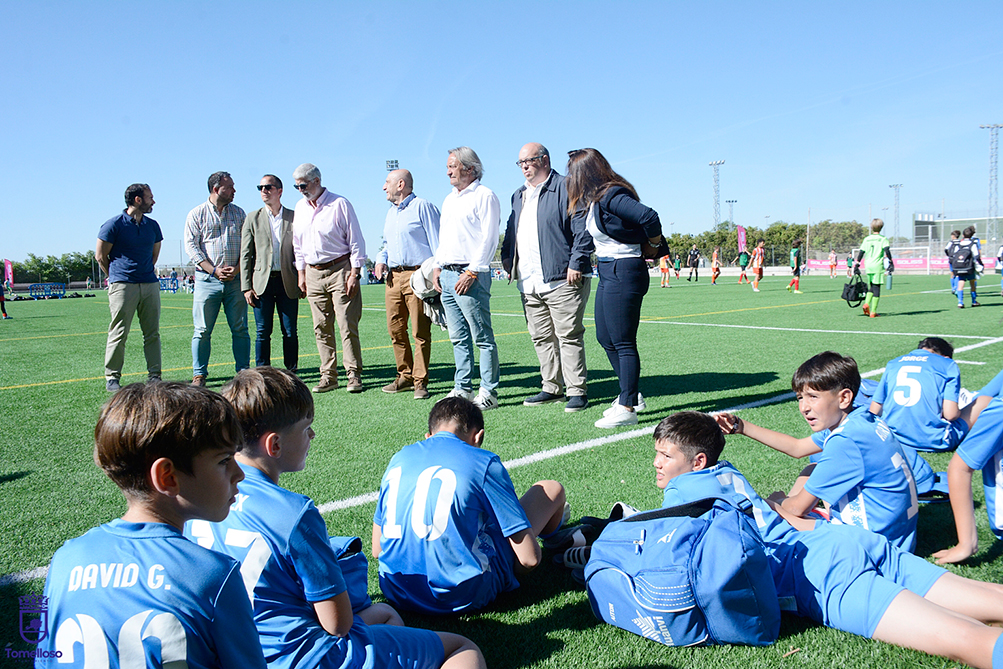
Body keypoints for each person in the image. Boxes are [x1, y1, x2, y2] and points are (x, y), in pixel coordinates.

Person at [651, 411, 1003, 669]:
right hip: (838, 539)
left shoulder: (683, 491)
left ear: (697, 462)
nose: (657, 463)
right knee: (989, 598)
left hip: (820, 574)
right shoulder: (725, 469)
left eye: (666, 456)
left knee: (967, 640)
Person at [187, 368, 485, 669]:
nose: (312, 435)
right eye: (306, 428)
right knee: (461, 648)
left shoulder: (202, 503)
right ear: (274, 445)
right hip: (303, 657)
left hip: (235, 653)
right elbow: (337, 624)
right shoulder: (293, 512)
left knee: (386, 615)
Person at [37, 383, 267, 668]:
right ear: (167, 477)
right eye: (224, 460)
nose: (239, 474)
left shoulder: (66, 560)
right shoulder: (213, 575)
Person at [372, 396, 567, 615]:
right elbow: (529, 559)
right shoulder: (483, 461)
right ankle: (557, 540)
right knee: (550, 489)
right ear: (478, 437)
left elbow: (377, 549)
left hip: (396, 589)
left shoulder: (399, 458)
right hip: (461, 594)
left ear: (428, 436)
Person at [714, 351, 919, 551]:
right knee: (811, 468)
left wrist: (777, 502)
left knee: (770, 512)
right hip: (899, 535)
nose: (804, 407)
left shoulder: (846, 441)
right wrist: (741, 427)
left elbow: (796, 509)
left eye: (813, 396)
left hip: (873, 544)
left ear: (844, 398)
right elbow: (798, 448)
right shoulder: (862, 418)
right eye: (800, 398)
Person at [566, 148, 664, 429]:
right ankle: (630, 393)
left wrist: (653, 245)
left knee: (622, 341)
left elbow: (649, 216)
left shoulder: (611, 194)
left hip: (625, 269)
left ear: (585, 173)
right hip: (609, 270)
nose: (570, 178)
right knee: (605, 337)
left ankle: (627, 406)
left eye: (573, 172)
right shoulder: (595, 199)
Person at [501, 143, 593, 413]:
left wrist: (576, 262)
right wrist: (508, 260)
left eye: (529, 161)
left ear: (544, 160)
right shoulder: (518, 195)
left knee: (568, 335)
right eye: (520, 163)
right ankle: (551, 387)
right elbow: (511, 230)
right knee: (541, 337)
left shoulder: (567, 186)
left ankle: (577, 391)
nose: (524, 167)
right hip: (529, 281)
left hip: (563, 278)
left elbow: (583, 228)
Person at [432, 147, 501, 411]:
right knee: (458, 337)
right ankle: (462, 388)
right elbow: (445, 236)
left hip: (470, 274)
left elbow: (489, 237)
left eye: (452, 165)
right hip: (448, 274)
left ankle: (488, 391)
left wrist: (472, 271)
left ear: (469, 168)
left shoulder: (484, 196)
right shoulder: (449, 199)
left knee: (482, 336)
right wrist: (438, 266)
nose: (448, 171)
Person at [291, 163, 367, 394]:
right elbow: (298, 244)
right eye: (296, 186)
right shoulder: (300, 208)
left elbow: (356, 241)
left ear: (316, 181)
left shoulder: (340, 204)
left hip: (340, 269)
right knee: (321, 327)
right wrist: (302, 273)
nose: (300, 189)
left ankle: (353, 375)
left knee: (346, 324)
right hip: (313, 273)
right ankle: (328, 376)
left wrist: (355, 273)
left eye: (303, 185)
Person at [374, 169, 440, 400]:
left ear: (400, 184)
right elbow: (385, 244)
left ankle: (420, 382)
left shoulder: (423, 207)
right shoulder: (390, 214)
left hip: (417, 276)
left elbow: (437, 241)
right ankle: (405, 376)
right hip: (393, 278)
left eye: (387, 182)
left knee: (419, 331)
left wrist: (435, 273)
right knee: (396, 330)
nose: (384, 187)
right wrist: (381, 260)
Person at [184, 171, 250, 387]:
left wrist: (239, 268)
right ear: (216, 189)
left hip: (235, 281)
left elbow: (249, 246)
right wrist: (213, 270)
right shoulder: (196, 214)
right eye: (230, 186)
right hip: (206, 280)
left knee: (240, 328)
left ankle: (243, 372)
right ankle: (199, 375)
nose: (234, 190)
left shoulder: (240, 214)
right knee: (202, 330)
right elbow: (192, 247)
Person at [97, 183, 163, 392]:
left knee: (152, 333)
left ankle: (155, 375)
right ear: (137, 200)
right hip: (123, 286)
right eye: (150, 197)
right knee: (119, 332)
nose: (153, 201)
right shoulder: (113, 225)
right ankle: (112, 377)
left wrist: (145, 273)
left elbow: (154, 254)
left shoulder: (153, 226)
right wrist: (116, 278)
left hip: (149, 284)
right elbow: (100, 256)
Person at [240, 174, 301, 371]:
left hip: (287, 281)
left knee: (290, 331)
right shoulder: (252, 218)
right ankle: (262, 372)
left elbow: (302, 250)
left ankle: (291, 371)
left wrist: (303, 279)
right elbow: (246, 254)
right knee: (262, 331)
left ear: (279, 191)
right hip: (261, 283)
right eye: (260, 187)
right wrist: (246, 287)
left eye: (268, 187)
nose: (263, 191)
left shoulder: (294, 216)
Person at [853, 218, 893, 318]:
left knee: (871, 286)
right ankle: (873, 312)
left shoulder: (867, 239)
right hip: (877, 265)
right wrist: (891, 261)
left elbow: (861, 252)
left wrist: (857, 263)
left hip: (868, 265)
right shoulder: (883, 239)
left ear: (872, 227)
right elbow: (887, 251)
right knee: (877, 288)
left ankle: (866, 304)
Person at [951, 225, 983, 309]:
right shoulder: (973, 244)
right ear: (972, 235)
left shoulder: (958, 244)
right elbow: (976, 256)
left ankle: (960, 302)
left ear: (963, 235)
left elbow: (954, 255)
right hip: (969, 267)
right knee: (972, 283)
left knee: (960, 283)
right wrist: (981, 265)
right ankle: (973, 301)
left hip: (959, 266)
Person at [945, 230, 960, 295]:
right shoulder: (960, 242)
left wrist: (949, 255)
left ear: (953, 236)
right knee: (957, 274)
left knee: (952, 274)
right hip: (958, 260)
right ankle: (956, 288)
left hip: (951, 259)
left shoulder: (951, 242)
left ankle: (953, 288)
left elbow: (946, 249)